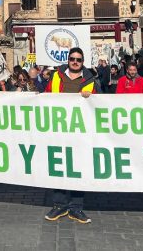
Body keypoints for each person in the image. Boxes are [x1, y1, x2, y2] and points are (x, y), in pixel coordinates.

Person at [43, 47, 99, 225]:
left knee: (78, 168)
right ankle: (59, 204)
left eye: (79, 59)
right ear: (68, 60)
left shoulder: (90, 80)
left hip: (80, 131)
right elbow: (45, 96)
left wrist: (91, 97)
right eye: (72, 59)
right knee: (58, 166)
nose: (75, 62)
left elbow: (99, 103)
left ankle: (76, 207)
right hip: (58, 129)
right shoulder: (56, 76)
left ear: (83, 62)